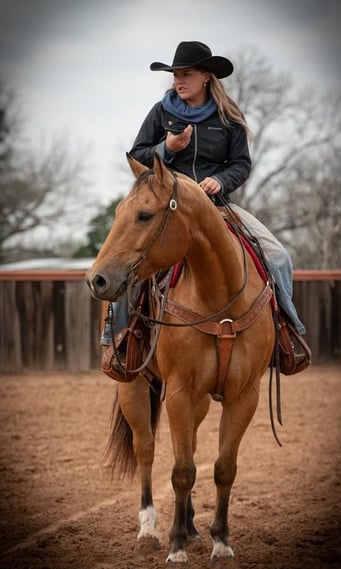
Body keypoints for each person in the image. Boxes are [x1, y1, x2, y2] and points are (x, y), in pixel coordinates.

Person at [101, 41, 307, 361]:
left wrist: (221, 180)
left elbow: (242, 164)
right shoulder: (161, 112)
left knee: (279, 256)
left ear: (206, 77)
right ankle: (121, 339)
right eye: (175, 75)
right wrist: (167, 149)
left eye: (186, 74)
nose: (178, 81)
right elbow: (138, 155)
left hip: (219, 205)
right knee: (132, 257)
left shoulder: (229, 116)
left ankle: (287, 330)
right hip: (171, 209)